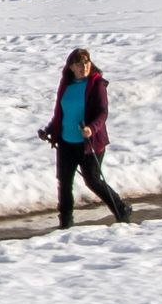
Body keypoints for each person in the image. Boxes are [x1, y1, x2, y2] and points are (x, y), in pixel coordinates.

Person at [42, 46, 132, 228]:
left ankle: (121, 209)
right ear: (71, 67)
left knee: (93, 181)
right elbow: (62, 113)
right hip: (67, 141)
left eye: (86, 62)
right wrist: (50, 129)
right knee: (64, 182)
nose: (84, 66)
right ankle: (65, 223)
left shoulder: (96, 84)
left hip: (89, 143)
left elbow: (102, 112)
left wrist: (91, 128)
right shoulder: (66, 85)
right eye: (79, 63)